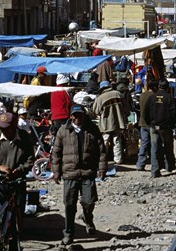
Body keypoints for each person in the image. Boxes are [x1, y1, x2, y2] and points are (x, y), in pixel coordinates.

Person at [52, 105, 107, 246]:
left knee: (89, 201)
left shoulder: (92, 130)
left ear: (84, 116)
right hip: (70, 173)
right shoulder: (63, 131)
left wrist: (102, 168)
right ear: (71, 116)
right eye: (74, 116)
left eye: (80, 115)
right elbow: (56, 153)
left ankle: (88, 218)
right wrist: (56, 171)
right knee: (69, 205)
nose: (77, 118)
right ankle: (69, 233)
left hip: (88, 173)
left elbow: (102, 150)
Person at [0, 112, 35, 225]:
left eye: (7, 128)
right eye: (2, 128)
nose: (4, 131)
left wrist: (20, 170)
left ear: (14, 126)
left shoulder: (24, 138)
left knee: (17, 212)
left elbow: (30, 159)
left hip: (17, 181)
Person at [147, 79, 176, 178]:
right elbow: (174, 113)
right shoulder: (170, 98)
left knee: (154, 148)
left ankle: (155, 170)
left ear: (158, 86)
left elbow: (145, 112)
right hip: (166, 127)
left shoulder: (152, 97)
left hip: (153, 126)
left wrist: (150, 123)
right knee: (168, 146)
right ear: (168, 87)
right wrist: (172, 124)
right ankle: (169, 166)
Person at [92, 81, 126, 165]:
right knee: (117, 141)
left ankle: (103, 159)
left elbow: (96, 111)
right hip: (118, 121)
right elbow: (126, 109)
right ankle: (118, 159)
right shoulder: (118, 94)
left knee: (105, 141)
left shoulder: (100, 98)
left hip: (106, 123)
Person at [136, 80, 159, 171]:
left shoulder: (142, 95)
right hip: (152, 123)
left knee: (144, 143)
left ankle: (140, 164)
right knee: (154, 144)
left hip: (142, 123)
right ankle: (155, 164)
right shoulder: (154, 96)